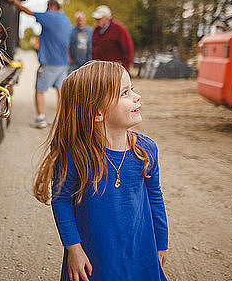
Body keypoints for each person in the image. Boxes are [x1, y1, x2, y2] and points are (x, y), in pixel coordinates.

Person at [34, 61, 169, 281]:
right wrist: (74, 249)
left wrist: (161, 243)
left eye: (132, 89)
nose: (137, 96)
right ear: (97, 112)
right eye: (125, 92)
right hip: (96, 257)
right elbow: (61, 201)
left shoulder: (146, 151)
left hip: (140, 249)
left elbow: (155, 197)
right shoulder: (76, 155)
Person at [6, 0, 72, 129]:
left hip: (49, 62)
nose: (46, 10)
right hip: (64, 63)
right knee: (60, 90)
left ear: (51, 6)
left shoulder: (50, 16)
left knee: (39, 90)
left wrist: (14, 0)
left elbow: (28, 12)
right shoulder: (66, 19)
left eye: (47, 7)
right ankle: (62, 118)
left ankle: (41, 118)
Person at [91, 5, 134, 70]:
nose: (97, 20)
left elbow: (128, 49)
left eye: (99, 18)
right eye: (96, 19)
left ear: (107, 18)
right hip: (100, 70)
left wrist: (124, 68)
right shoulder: (96, 31)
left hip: (115, 69)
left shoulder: (118, 29)